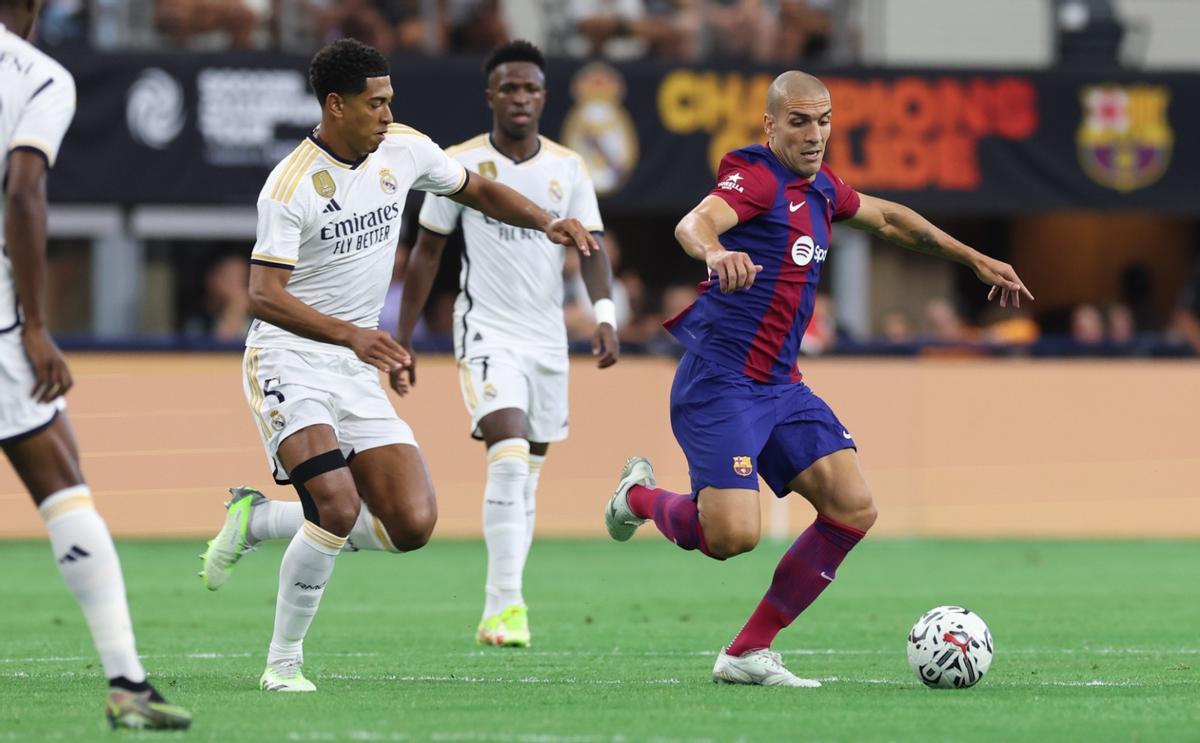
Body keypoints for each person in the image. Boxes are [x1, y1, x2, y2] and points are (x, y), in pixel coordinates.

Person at [604, 70, 1032, 687]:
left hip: (781, 386)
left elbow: (891, 220)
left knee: (853, 508)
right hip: (721, 382)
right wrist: (715, 252)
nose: (814, 134)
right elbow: (694, 222)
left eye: (824, 121)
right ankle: (638, 498)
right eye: (799, 121)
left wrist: (974, 258)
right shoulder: (755, 176)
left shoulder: (823, 188)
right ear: (771, 125)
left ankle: (747, 651)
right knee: (731, 537)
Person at [198, 38, 596, 692]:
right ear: (335, 105)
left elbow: (478, 190)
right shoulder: (290, 185)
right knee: (334, 505)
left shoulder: (404, 148)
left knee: (410, 524)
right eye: (374, 103)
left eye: (390, 100)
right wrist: (354, 335)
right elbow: (263, 296)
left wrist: (546, 221)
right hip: (289, 358)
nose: (388, 114)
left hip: (355, 365)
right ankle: (283, 663)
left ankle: (259, 517)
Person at [0, 1, 190, 729]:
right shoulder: (39, 76)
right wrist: (36, 324)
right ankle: (127, 685)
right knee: (62, 482)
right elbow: (23, 189)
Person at [399, 40, 618, 646]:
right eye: (509, 88)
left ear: (544, 98)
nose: (520, 98)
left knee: (528, 476)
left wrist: (604, 315)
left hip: (547, 340)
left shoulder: (569, 168)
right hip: (486, 331)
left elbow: (591, 248)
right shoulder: (460, 163)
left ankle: (504, 608)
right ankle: (506, 607)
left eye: (531, 89)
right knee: (511, 453)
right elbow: (427, 252)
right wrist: (403, 336)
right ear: (491, 96)